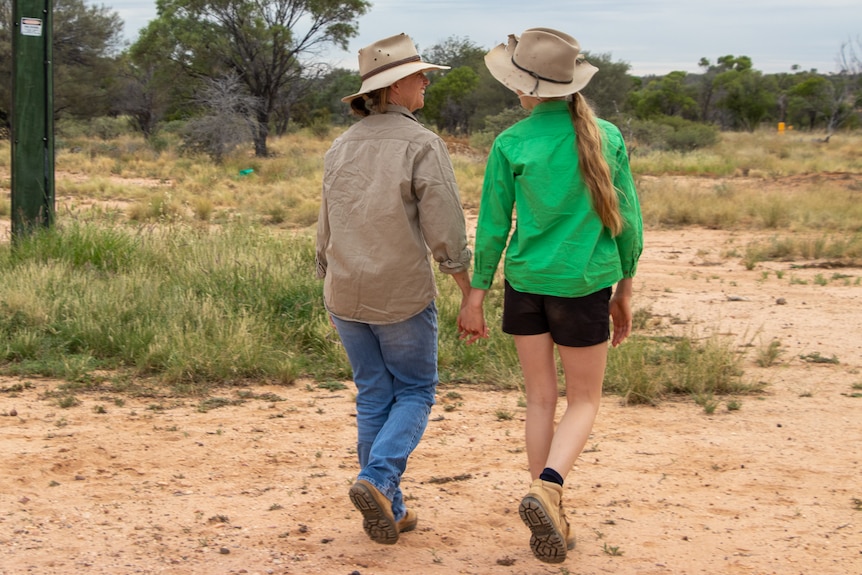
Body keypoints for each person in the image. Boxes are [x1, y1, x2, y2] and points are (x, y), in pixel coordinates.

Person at [457, 28, 643, 563]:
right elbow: (627, 222)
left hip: (524, 285)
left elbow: (493, 226)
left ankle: (548, 501)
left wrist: (476, 294)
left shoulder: (511, 142)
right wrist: (625, 287)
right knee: (584, 400)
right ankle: (550, 488)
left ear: (527, 88)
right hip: (584, 286)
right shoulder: (606, 136)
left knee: (540, 398)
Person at [316, 33, 473, 545]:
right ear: (395, 85)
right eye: (420, 75)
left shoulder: (341, 145)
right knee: (414, 390)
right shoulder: (421, 143)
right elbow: (444, 226)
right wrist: (466, 288)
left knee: (374, 393)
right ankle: (377, 479)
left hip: (344, 289)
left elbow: (326, 226)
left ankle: (390, 506)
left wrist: (329, 273)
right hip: (399, 291)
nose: (426, 81)